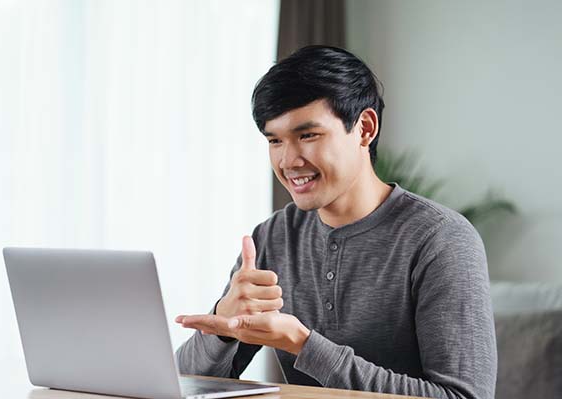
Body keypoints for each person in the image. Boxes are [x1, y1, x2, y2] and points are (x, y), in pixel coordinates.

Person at [174, 45, 497, 399]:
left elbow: (464, 396)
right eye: (274, 140)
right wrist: (223, 326)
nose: (288, 160)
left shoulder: (441, 240)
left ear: (364, 129)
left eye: (307, 135)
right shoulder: (273, 238)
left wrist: (304, 344)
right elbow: (181, 383)